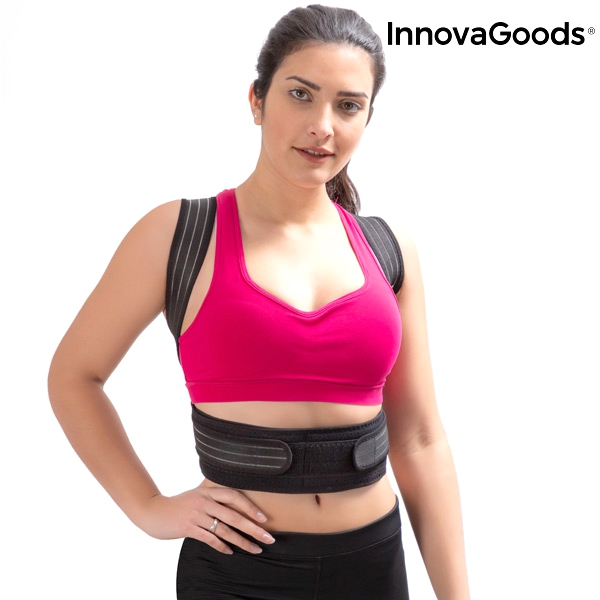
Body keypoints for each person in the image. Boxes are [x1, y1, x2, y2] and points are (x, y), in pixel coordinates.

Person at [48, 5, 469, 599]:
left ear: (367, 118)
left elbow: (420, 439)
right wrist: (148, 507)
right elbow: (74, 375)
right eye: (300, 94)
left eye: (348, 105)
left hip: (373, 566)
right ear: (256, 100)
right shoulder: (180, 234)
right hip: (236, 573)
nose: (322, 125)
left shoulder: (389, 248)